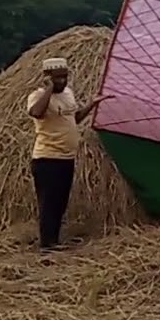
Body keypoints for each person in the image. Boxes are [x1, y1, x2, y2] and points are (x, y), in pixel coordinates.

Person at [25, 58, 111, 252]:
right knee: (48, 202)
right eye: (57, 78)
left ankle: (54, 240)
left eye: (64, 77)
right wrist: (48, 89)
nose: (62, 81)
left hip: (66, 158)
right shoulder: (37, 96)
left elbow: (75, 118)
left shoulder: (68, 95)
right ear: (47, 78)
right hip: (47, 158)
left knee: (60, 201)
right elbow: (37, 113)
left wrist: (92, 104)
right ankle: (46, 243)